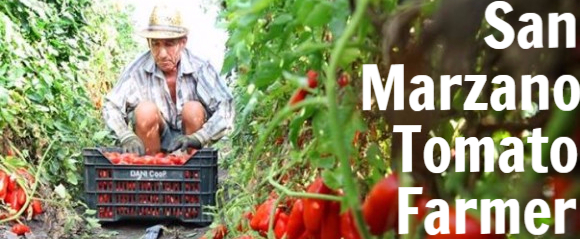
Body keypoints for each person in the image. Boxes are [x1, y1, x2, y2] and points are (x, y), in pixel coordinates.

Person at [102, 5, 234, 156]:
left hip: (191, 138)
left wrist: (199, 137)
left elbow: (226, 106)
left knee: (193, 110)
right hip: (154, 138)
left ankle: (191, 173)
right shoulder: (136, 70)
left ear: (182, 42)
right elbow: (111, 105)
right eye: (156, 44)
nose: (162, 53)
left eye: (169, 44)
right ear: (148, 43)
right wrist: (126, 135)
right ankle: (151, 171)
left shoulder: (200, 68)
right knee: (145, 111)